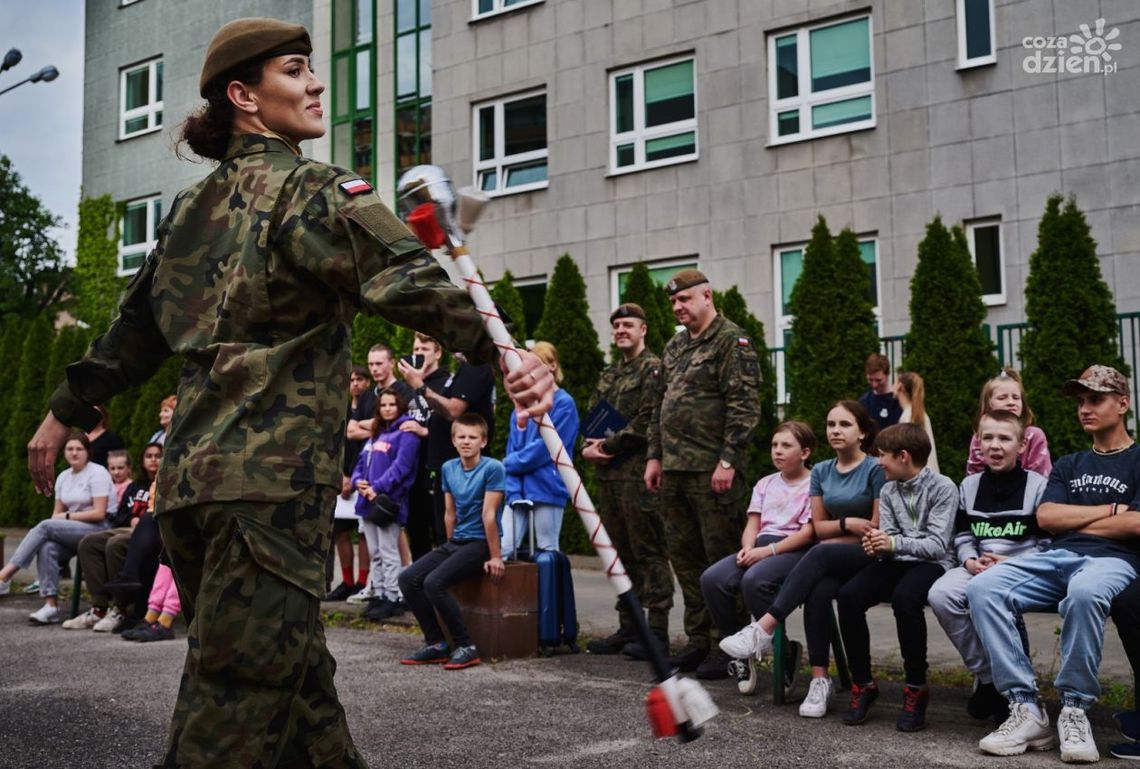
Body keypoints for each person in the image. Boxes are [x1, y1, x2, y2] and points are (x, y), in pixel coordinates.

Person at [25, 17, 553, 768]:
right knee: (235, 703)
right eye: (296, 69)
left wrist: (62, 413)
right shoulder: (314, 187)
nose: (316, 82)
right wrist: (503, 353)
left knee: (297, 693)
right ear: (244, 95)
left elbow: (130, 337)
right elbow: (402, 277)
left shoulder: (189, 209)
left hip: (193, 488)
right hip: (268, 491)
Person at [968, 365, 1140, 763]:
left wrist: (1079, 520)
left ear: (1123, 404)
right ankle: (1026, 708)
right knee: (983, 587)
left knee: (1084, 592)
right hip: (1056, 557)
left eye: (1095, 400)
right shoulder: (1069, 464)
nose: (1085, 409)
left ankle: (1074, 709)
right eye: (1080, 402)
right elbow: (1047, 518)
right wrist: (1112, 510)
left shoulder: (1137, 460)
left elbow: (1136, 524)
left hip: (1113, 561)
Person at [720, 400, 885, 719]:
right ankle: (820, 680)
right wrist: (846, 524)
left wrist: (841, 531)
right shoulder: (822, 471)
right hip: (831, 554)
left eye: (845, 424)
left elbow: (874, 527)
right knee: (818, 592)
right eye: (831, 424)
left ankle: (763, 628)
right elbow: (819, 528)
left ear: (863, 432)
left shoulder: (875, 469)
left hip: (867, 552)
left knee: (817, 553)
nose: (835, 430)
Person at [645, 268, 762, 672]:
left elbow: (744, 406)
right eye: (673, 302)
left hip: (713, 472)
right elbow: (659, 406)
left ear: (707, 296)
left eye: (685, 299)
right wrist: (654, 457)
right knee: (686, 559)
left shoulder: (732, 340)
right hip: (674, 471)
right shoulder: (675, 346)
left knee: (723, 560)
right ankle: (699, 640)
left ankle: (730, 645)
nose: (678, 307)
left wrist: (728, 460)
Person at [927, 410, 1048, 723]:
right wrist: (969, 559)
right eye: (988, 438)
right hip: (979, 565)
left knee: (992, 595)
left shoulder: (1038, 486)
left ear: (1021, 445)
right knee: (940, 594)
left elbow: (1048, 545)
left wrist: (1012, 563)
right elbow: (963, 535)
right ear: (978, 443)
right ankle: (989, 677)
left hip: (1022, 568)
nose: (995, 445)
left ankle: (1017, 690)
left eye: (1004, 438)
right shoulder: (968, 486)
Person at [835, 422, 957, 731]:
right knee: (849, 596)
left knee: (905, 599)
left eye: (883, 455)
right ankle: (863, 684)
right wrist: (877, 544)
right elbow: (889, 538)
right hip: (897, 560)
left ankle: (915, 688)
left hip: (933, 563)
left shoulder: (943, 487)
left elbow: (937, 546)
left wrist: (892, 543)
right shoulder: (889, 489)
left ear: (903, 456)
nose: (878, 462)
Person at [582, 303, 673, 657]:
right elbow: (593, 415)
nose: (621, 330)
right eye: (617, 325)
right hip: (609, 476)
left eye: (628, 325)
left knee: (649, 550)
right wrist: (587, 447)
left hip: (639, 475)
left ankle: (658, 632)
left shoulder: (653, 369)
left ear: (643, 329)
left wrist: (607, 445)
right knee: (619, 553)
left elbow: (650, 419)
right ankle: (629, 626)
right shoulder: (610, 373)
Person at [698, 421, 816, 682]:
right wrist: (748, 548)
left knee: (754, 580)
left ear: (805, 452)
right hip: (760, 546)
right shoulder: (765, 484)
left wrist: (767, 552)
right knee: (712, 579)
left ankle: (783, 652)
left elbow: (808, 533)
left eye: (786, 445)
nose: (777, 451)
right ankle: (741, 652)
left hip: (793, 550)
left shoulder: (814, 484)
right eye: (774, 445)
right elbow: (753, 525)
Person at [398, 413, 505, 670]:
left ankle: (466, 646)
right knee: (408, 579)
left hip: (480, 543)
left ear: (483, 441)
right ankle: (436, 643)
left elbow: (489, 515)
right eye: (461, 437)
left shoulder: (493, 468)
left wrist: (495, 556)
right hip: (456, 541)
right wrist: (448, 548)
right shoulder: (448, 468)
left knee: (434, 582)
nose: (466, 441)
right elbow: (450, 513)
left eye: (472, 437)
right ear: (453, 440)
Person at [0, 432, 113, 624]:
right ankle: (50, 606)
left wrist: (67, 517)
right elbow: (56, 514)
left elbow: (99, 513)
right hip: (73, 531)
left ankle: (5, 574)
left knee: (45, 526)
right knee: (47, 547)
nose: (74, 453)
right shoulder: (63, 477)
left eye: (79, 449)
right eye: (70, 449)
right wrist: (62, 519)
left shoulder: (98, 473)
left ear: (87, 452)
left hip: (99, 529)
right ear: (64, 452)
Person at [66, 445, 161, 632]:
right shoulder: (134, 486)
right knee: (89, 542)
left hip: (151, 532)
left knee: (114, 544)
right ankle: (99, 608)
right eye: (149, 456)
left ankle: (120, 608)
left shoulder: (167, 483)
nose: (153, 460)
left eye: (158, 456)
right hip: (128, 527)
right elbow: (120, 515)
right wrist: (131, 519)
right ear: (142, 462)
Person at [501, 341, 579, 559]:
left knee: (547, 550)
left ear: (553, 365)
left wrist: (506, 464)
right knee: (504, 547)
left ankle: (549, 583)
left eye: (539, 364)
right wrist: (513, 489)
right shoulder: (522, 405)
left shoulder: (564, 403)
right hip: (519, 488)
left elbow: (546, 448)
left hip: (547, 487)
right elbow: (513, 447)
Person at [351, 386, 421, 621]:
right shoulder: (377, 433)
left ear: (400, 406)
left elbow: (402, 468)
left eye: (392, 404)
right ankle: (380, 593)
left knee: (389, 551)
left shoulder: (407, 432)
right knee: (375, 552)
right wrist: (358, 481)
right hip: (366, 502)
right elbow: (361, 463)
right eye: (383, 405)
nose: (388, 409)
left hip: (388, 503)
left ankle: (393, 597)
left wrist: (377, 487)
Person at [326, 365, 373, 601]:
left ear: (368, 383)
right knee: (340, 531)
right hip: (342, 477)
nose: (355, 383)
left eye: (360, 379)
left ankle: (362, 582)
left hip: (365, 477)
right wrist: (342, 476)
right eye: (352, 379)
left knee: (364, 533)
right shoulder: (341, 408)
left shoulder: (373, 407)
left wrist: (354, 477)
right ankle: (347, 581)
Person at [966, 368, 1052, 478]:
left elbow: (1041, 478)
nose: (1011, 402)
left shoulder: (1034, 435)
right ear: (988, 404)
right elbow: (973, 478)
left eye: (1016, 397)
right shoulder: (978, 437)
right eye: (1002, 398)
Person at [894, 370, 939, 474]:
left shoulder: (908, 417)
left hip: (919, 476)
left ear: (900, 386)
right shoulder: (917, 414)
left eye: (894, 383)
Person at [858, 353, 902, 429]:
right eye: (870, 380)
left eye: (878, 380)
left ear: (887, 374)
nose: (874, 385)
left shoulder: (898, 400)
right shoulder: (864, 401)